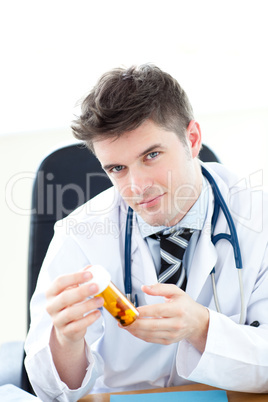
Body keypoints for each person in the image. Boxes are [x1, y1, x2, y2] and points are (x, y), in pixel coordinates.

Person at [25, 64, 268, 401]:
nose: (137, 186)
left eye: (151, 155)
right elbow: (50, 391)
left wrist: (201, 327)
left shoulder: (259, 217)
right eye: (117, 168)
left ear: (192, 139)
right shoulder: (79, 234)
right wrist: (65, 342)